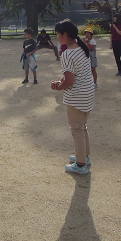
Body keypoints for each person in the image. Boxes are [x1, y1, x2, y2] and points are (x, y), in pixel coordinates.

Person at [51, 19, 95, 175]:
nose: (57, 37)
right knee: (82, 128)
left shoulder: (67, 53)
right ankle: (84, 157)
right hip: (87, 93)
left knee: (77, 130)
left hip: (76, 97)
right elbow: (74, 74)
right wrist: (61, 81)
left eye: (57, 34)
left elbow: (70, 81)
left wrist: (58, 86)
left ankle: (80, 164)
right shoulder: (82, 47)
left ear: (65, 34)